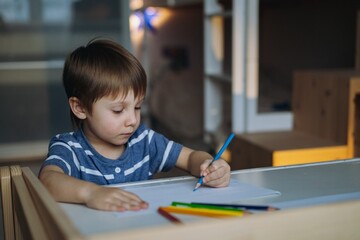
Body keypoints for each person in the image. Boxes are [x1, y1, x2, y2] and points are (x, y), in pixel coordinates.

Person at [38, 38, 231, 212]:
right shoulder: (69, 148)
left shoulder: (144, 140)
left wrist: (208, 166)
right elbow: (47, 180)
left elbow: (191, 158)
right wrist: (91, 194)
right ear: (80, 107)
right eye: (118, 110)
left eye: (137, 107)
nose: (132, 120)